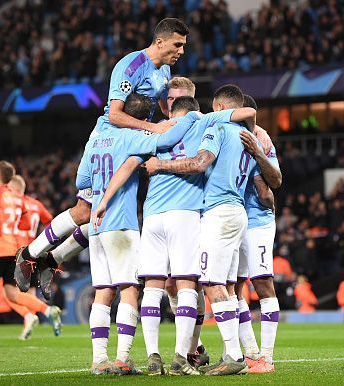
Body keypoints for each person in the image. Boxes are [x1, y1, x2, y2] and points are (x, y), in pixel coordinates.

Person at [14, 18, 190, 287]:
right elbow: (116, 115)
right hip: (110, 139)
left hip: (135, 140)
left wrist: (178, 116)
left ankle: (50, 261)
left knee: (102, 214)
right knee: (86, 211)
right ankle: (29, 255)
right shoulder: (130, 66)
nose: (181, 51)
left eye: (183, 46)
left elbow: (162, 109)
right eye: (177, 45)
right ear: (160, 41)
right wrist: (154, 129)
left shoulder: (164, 70)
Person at [91, 95, 256, 375]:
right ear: (193, 110)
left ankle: (153, 356)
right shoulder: (200, 121)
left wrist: (105, 200)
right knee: (186, 284)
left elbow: (130, 164)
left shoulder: (156, 130)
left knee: (153, 287)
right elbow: (247, 111)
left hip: (153, 215)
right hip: (185, 213)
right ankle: (181, 357)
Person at [142, 84, 271, 375]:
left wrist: (160, 164)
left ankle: (234, 357)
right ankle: (235, 352)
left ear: (220, 110)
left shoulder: (216, 128)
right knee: (224, 287)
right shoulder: (249, 137)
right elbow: (264, 184)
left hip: (218, 213)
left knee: (211, 284)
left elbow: (201, 163)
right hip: (238, 212)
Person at [79, 92, 202, 375]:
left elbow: (81, 179)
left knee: (102, 292)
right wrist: (179, 121)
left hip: (97, 222)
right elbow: (164, 141)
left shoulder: (97, 139)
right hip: (121, 223)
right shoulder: (133, 138)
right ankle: (123, 358)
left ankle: (99, 360)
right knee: (131, 289)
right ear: (141, 120)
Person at [0, 161, 62, 346]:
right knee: (12, 293)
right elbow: (27, 224)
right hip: (16, 249)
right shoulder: (20, 199)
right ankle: (47, 311)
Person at [234, 94, 282, 373]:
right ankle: (251, 354)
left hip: (257, 221)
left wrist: (258, 153)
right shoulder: (223, 134)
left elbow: (275, 182)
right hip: (231, 219)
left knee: (262, 283)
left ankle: (267, 356)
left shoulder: (262, 140)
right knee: (233, 287)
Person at [8, 175, 53, 297]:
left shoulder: (13, 202)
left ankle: (34, 313)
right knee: (30, 290)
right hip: (33, 250)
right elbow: (50, 222)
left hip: (15, 249)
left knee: (10, 292)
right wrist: (42, 241)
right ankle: (33, 314)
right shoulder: (36, 204)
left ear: (13, 188)